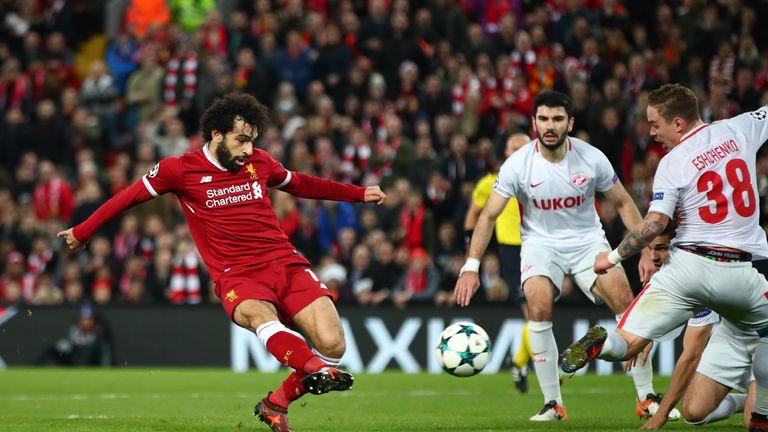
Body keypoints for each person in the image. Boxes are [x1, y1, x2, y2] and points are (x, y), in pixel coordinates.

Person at [57, 93, 387, 432]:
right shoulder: (179, 170)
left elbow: (301, 183)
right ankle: (315, 368)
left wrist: (358, 193)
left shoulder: (260, 162)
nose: (247, 149)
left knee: (334, 345)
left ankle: (277, 402)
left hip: (284, 262)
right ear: (216, 134)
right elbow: (128, 197)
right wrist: (83, 231)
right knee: (263, 319)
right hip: (237, 276)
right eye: (241, 140)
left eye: (252, 141)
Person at [559, 83, 768, 431]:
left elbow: (655, 222)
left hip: (684, 269)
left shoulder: (672, 163)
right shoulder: (739, 127)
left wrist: (611, 257)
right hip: (736, 269)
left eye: (655, 124)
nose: (651, 132)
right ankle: (761, 413)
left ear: (678, 123)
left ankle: (601, 341)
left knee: (626, 344)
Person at [455, 90, 658, 421]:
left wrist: (646, 249)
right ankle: (553, 403)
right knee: (537, 307)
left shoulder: (592, 158)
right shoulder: (517, 165)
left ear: (570, 123)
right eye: (544, 119)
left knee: (625, 301)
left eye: (558, 119)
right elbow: (487, 216)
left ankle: (646, 397)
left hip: (587, 241)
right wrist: (471, 266)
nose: (550, 126)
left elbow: (623, 202)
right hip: (539, 243)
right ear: (534, 122)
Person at [633, 223, 754, 428]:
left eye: (661, 248)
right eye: (650, 249)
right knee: (693, 413)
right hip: (734, 332)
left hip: (762, 334)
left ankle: (756, 392)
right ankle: (747, 399)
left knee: (754, 423)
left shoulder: (703, 272)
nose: (654, 257)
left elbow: (691, 355)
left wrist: (661, 415)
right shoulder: (678, 278)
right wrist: (646, 333)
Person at [464, 132, 532, 393]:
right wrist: (471, 253)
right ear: (505, 152)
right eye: (512, 147)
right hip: (513, 252)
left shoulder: (540, 179)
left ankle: (519, 361)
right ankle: (529, 363)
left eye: (522, 147)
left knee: (540, 312)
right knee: (534, 313)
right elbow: (474, 216)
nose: (516, 151)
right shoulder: (491, 183)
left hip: (542, 246)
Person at [37, 303, 111, 366]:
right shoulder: (74, 330)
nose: (85, 322)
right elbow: (68, 344)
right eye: (83, 319)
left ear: (93, 320)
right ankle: (34, 368)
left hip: (89, 363)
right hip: (73, 359)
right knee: (50, 347)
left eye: (88, 319)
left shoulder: (99, 333)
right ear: (79, 320)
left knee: (88, 350)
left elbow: (104, 353)